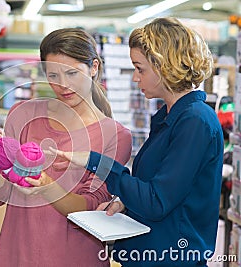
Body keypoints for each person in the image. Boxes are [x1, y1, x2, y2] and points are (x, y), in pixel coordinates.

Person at [50, 17, 224, 266]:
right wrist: (125, 203)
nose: (135, 78)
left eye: (140, 68)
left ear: (164, 65)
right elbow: (160, 190)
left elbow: (157, 202)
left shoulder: (195, 121)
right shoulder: (169, 118)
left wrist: (96, 162)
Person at [0, 28, 132, 266]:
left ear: (93, 68)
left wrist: (47, 187)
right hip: (18, 254)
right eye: (53, 76)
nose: (63, 85)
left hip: (75, 257)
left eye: (72, 73)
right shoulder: (23, 114)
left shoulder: (115, 136)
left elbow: (92, 208)